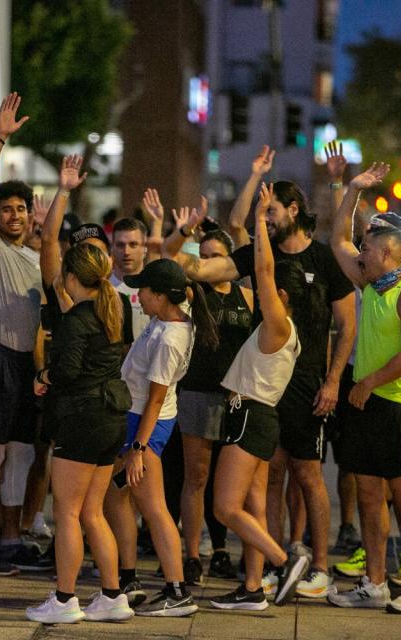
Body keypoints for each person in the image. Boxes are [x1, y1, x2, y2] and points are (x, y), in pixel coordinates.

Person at [164, 173, 356, 598]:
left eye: (272, 211)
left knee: (303, 478)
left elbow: (345, 324)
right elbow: (196, 267)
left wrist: (333, 380)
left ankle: (303, 562)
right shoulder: (260, 268)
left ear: (293, 210)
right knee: (259, 490)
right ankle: (256, 583)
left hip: (290, 389)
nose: (266, 219)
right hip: (262, 397)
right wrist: (181, 235)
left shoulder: (309, 273)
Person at [327, 163, 401, 614]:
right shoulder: (371, 283)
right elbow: (336, 241)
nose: (360, 253)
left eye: (367, 247)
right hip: (364, 402)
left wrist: (367, 381)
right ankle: (375, 582)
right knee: (368, 494)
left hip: (395, 404)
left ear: (387, 252)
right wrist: (351, 188)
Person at [209, 182, 314, 611]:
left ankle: (283, 561)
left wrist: (259, 225)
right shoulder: (287, 331)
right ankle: (253, 587)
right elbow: (267, 275)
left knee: (224, 507)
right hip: (254, 417)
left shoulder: (277, 325)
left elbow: (266, 273)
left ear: (282, 298)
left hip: (250, 415)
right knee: (251, 504)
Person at [24, 242, 134, 624]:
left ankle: (65, 598)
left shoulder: (76, 320)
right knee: (93, 512)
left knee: (67, 512)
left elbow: (68, 371)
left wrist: (43, 376)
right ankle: (112, 595)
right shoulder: (113, 311)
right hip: (111, 418)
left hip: (82, 417)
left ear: (72, 278)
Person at [104, 258, 218, 617]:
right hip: (140, 417)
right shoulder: (166, 321)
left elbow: (156, 396)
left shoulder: (171, 336)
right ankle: (128, 577)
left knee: (153, 508)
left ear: (161, 296)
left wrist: (139, 447)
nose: (138, 296)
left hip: (146, 423)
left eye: (144, 291)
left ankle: (176, 589)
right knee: (115, 497)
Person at [0, 93, 49, 572]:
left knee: (20, 454)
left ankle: (11, 540)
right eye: (6, 210)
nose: (14, 215)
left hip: (28, 365)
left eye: (21, 208)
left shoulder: (42, 259)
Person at [161, 217, 253, 585]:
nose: (210, 262)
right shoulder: (192, 291)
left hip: (235, 397)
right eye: (204, 256)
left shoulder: (248, 296)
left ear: (230, 259)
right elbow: (167, 256)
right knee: (196, 477)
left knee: (228, 482)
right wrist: (183, 232)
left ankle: (222, 551)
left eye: (217, 255)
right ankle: (192, 555)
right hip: (198, 391)